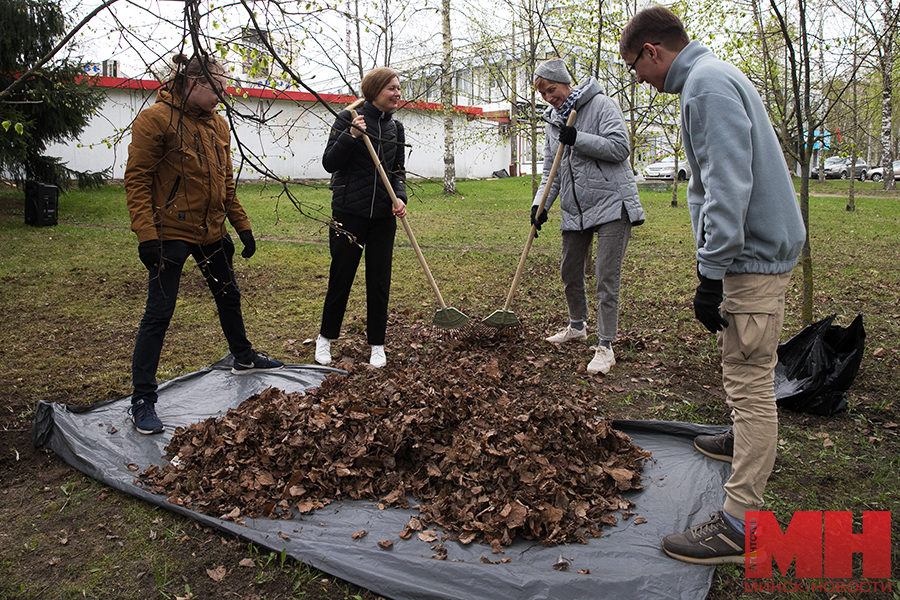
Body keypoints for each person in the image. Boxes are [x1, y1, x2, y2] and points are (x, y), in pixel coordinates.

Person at [620, 6, 806, 564]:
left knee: (750, 382)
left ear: (653, 51)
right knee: (745, 368)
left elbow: (728, 187)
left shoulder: (704, 86)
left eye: (635, 66)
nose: (638, 78)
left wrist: (711, 273)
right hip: (753, 253)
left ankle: (739, 524)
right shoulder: (714, 77)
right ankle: (739, 440)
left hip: (749, 258)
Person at [125, 53, 283, 435]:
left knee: (228, 295)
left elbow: (225, 182)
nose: (222, 93)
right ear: (190, 82)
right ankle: (142, 399)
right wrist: (148, 237)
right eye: (216, 85)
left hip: (211, 231)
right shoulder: (156, 120)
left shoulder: (219, 126)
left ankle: (242, 357)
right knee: (159, 313)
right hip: (171, 233)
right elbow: (137, 181)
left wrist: (241, 225)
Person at [531, 58, 645, 375]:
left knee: (606, 279)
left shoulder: (601, 104)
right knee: (570, 271)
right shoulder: (553, 121)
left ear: (566, 82)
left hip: (611, 203)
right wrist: (539, 206)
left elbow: (620, 148)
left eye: (552, 90)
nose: (549, 98)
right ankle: (577, 326)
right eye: (543, 94)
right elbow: (549, 173)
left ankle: (605, 346)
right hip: (575, 208)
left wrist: (578, 138)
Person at [315, 67, 407, 369]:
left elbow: (397, 171)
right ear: (375, 91)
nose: (397, 93)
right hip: (348, 213)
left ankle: (377, 344)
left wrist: (400, 197)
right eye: (391, 88)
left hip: (382, 216)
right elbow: (330, 163)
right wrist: (352, 135)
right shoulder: (347, 119)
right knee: (341, 276)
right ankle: (325, 338)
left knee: (379, 281)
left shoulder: (396, 128)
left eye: (398, 88)